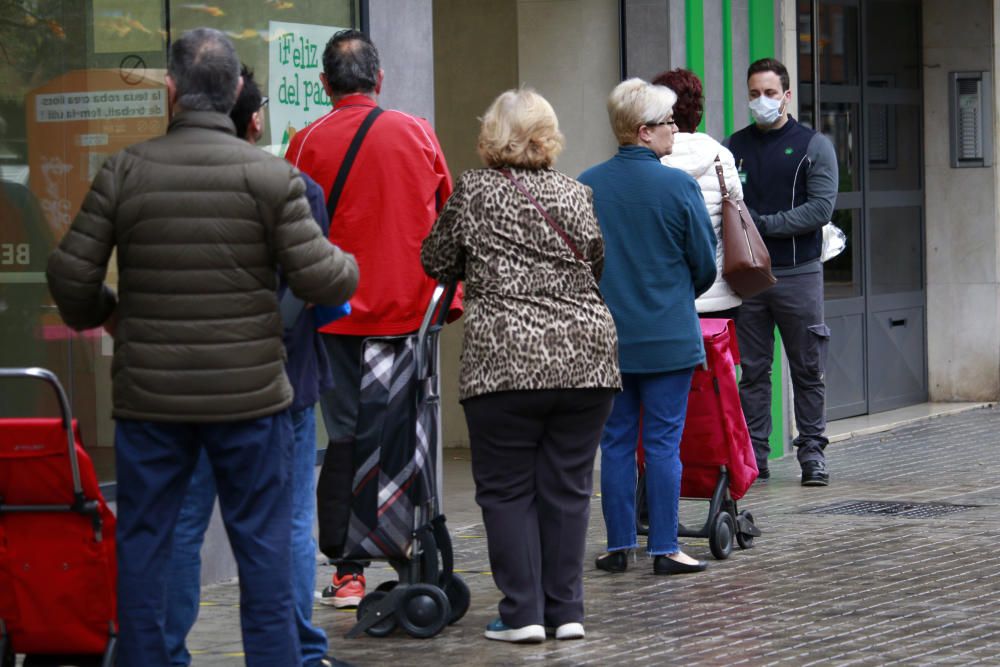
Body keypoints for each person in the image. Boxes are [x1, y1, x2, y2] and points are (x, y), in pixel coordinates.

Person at [45, 28, 359, 665]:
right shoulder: (271, 179)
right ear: (237, 92)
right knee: (265, 550)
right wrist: (342, 267)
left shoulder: (124, 172)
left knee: (148, 544)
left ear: (171, 91)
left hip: (150, 402)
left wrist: (115, 319)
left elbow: (69, 276)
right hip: (251, 403)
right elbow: (325, 278)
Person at [162, 66, 349, 667]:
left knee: (180, 528)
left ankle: (164, 653)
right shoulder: (291, 186)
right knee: (287, 524)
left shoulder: (148, 181)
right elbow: (316, 288)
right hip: (279, 384)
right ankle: (292, 652)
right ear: (255, 117)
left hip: (181, 389)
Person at [421, 88, 620, 643]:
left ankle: (522, 613)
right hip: (586, 357)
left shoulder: (473, 192)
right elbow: (596, 261)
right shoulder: (577, 194)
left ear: (493, 134)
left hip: (503, 359)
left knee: (507, 490)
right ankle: (567, 611)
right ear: (549, 136)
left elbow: (434, 260)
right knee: (569, 488)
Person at [284, 28, 457, 608]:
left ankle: (348, 570)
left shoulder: (305, 143)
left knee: (345, 437)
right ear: (378, 81)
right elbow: (446, 224)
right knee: (401, 433)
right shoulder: (417, 134)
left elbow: (292, 237)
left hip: (333, 316)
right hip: (406, 315)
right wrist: (445, 302)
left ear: (325, 83)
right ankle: (408, 550)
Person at [579, 78, 717, 577]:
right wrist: (673, 295)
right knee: (662, 443)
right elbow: (704, 264)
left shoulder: (587, 184)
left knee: (615, 443)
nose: (674, 130)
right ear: (643, 131)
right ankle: (664, 546)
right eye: (666, 122)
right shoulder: (679, 185)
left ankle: (618, 546)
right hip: (667, 337)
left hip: (607, 339)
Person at [724, 57, 837, 486]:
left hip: (799, 273)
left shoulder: (813, 145)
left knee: (808, 368)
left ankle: (812, 454)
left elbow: (821, 208)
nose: (761, 101)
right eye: (754, 94)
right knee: (752, 370)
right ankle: (755, 455)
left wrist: (763, 224)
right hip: (748, 276)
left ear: (787, 95)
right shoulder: (732, 147)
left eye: (770, 93)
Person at [653, 68, 743, 320]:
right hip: (720, 296)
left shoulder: (653, 160)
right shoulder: (721, 156)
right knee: (720, 361)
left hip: (668, 297)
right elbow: (736, 210)